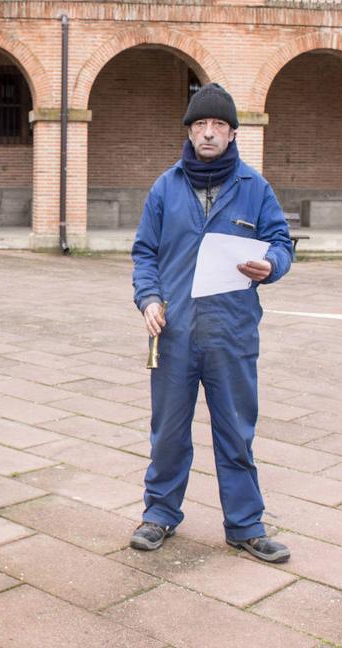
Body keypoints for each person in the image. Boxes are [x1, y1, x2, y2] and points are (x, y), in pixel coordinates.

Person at [130, 82, 293, 563]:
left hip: (232, 333)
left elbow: (281, 243)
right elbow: (145, 253)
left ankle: (245, 525)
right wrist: (149, 299)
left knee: (236, 433)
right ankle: (159, 514)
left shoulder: (254, 188)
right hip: (174, 333)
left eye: (217, 124)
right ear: (189, 130)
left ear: (232, 133)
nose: (207, 133)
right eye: (200, 124)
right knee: (169, 433)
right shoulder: (166, 187)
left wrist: (273, 266)